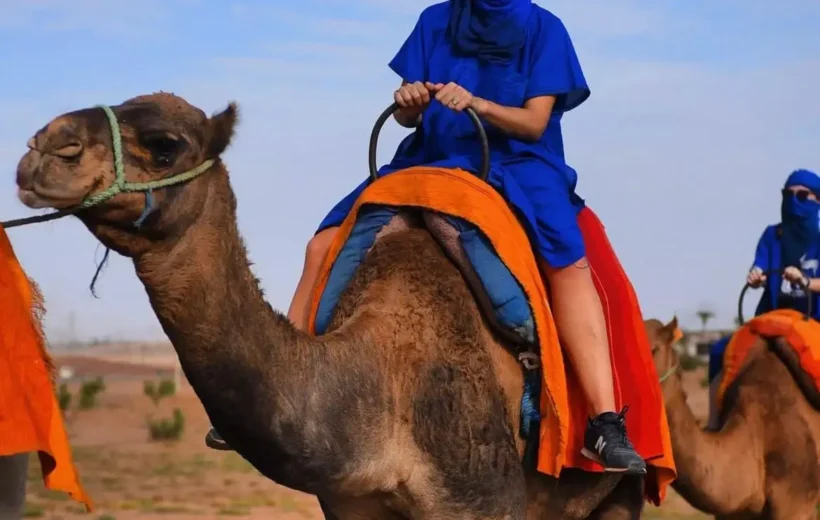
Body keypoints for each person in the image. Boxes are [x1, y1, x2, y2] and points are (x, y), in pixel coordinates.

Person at [207, 0, 646, 474]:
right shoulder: (435, 20)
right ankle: (276, 388)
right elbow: (408, 119)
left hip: (519, 162)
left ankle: (602, 423)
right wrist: (409, 103)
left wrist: (477, 102)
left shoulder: (544, 28)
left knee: (568, 260)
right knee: (321, 245)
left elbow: (535, 123)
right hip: (429, 157)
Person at [706, 168, 820, 429]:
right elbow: (760, 267)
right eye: (787, 194)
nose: (793, 201)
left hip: (812, 322)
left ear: (818, 201)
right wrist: (756, 277)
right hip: (771, 320)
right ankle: (714, 425)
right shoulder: (772, 236)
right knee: (718, 352)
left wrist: (804, 281)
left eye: (802, 195)